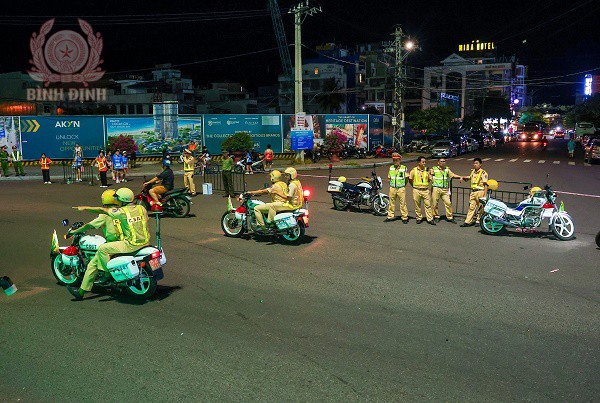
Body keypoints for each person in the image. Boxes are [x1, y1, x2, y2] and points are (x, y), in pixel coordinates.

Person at [68, 187, 150, 301]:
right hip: (144, 241)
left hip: (124, 244)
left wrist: (76, 228)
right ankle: (83, 290)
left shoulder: (117, 213)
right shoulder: (140, 208)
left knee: (97, 258)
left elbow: (92, 223)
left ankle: (100, 278)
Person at [65, 189, 124, 300]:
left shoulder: (105, 214)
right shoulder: (122, 211)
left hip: (112, 244)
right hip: (125, 242)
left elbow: (90, 225)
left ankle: (82, 291)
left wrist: (75, 231)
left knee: (92, 264)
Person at [429, 158, 461, 223]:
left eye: (444, 161)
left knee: (448, 203)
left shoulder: (447, 169)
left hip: (445, 189)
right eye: (441, 161)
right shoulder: (434, 169)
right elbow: (429, 175)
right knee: (435, 203)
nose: (442, 163)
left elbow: (452, 175)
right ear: (438, 162)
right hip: (436, 188)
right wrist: (431, 178)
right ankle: (436, 216)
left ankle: (449, 217)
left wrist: (460, 177)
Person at [460, 157, 489, 227]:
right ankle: (467, 221)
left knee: (481, 207)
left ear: (480, 164)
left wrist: (485, 195)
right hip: (473, 192)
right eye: (474, 163)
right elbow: (470, 178)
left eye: (477, 163)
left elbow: (486, 185)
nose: (475, 164)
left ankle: (478, 221)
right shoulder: (473, 171)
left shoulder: (483, 173)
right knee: (471, 207)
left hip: (480, 192)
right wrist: (463, 177)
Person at [409, 156, 435, 225]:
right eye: (423, 162)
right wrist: (414, 186)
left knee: (428, 205)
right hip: (416, 190)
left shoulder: (427, 170)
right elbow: (410, 179)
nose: (424, 163)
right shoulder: (413, 170)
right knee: (417, 205)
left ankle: (430, 219)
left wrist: (432, 174)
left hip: (425, 190)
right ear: (418, 162)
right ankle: (419, 218)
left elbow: (430, 179)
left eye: (425, 162)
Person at [385, 152, 409, 223]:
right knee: (391, 203)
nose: (395, 162)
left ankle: (404, 217)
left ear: (400, 160)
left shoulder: (404, 168)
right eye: (394, 160)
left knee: (403, 203)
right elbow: (389, 177)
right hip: (392, 188)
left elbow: (407, 178)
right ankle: (390, 216)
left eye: (396, 160)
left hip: (401, 188)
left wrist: (403, 185)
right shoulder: (391, 168)